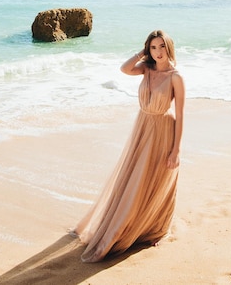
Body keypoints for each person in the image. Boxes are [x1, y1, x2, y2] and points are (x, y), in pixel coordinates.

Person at [70, 29, 185, 263]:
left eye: (162, 46)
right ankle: (130, 224)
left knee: (155, 178)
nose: (158, 52)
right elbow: (124, 69)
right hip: (142, 126)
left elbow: (182, 114)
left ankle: (154, 228)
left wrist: (176, 150)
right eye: (153, 47)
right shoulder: (146, 68)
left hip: (163, 130)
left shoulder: (176, 77)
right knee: (135, 177)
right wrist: (142, 53)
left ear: (169, 47)